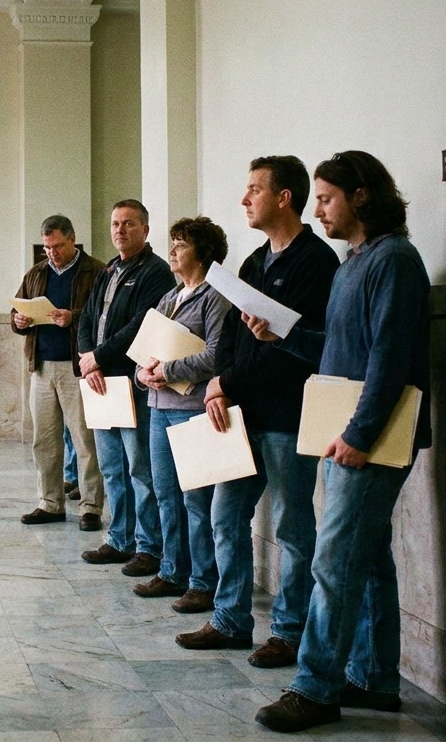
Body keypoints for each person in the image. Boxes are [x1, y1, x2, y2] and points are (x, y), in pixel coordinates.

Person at [249, 151, 431, 733]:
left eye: (326, 198)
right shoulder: (356, 261)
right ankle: (376, 678)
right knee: (369, 558)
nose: (318, 209)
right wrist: (284, 335)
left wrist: (358, 434)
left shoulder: (395, 260)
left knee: (333, 560)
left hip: (369, 435)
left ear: (361, 196)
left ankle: (316, 686)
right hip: (349, 429)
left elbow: (390, 358)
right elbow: (337, 348)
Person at [173, 156, 339, 666]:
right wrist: (219, 383)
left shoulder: (317, 262)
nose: (244, 200)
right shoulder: (251, 264)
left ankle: (289, 632)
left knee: (292, 529)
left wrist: (231, 380)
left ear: (283, 197)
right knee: (226, 517)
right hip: (240, 416)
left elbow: (294, 350)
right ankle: (230, 620)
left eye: (253, 190)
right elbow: (232, 341)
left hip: (288, 416)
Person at [131, 217, 230, 603]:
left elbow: (216, 353)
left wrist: (167, 369)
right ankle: (172, 570)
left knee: (196, 499)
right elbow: (145, 351)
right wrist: (143, 374)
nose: (172, 251)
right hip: (159, 406)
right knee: (165, 493)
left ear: (203, 253)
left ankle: (203, 581)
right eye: (171, 244)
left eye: (181, 245)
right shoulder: (169, 299)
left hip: (193, 408)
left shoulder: (214, 297)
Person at [76, 200, 175, 573]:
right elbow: (87, 316)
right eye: (115, 223)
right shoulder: (109, 269)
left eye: (129, 224)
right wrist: (89, 360)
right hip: (101, 382)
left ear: (145, 230)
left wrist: (99, 356)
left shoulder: (156, 273)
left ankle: (148, 547)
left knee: (139, 470)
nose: (120, 230)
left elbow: (139, 325)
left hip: (131, 382)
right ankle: (119, 539)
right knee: (112, 468)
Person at [11, 215, 107, 530]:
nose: (52, 253)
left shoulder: (95, 270)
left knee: (84, 438)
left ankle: (91, 507)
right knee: (45, 439)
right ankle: (50, 503)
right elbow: (18, 310)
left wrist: (73, 317)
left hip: (76, 367)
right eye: (47, 248)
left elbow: (102, 316)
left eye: (58, 246)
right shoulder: (37, 273)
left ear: (72, 238)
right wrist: (19, 321)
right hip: (41, 366)